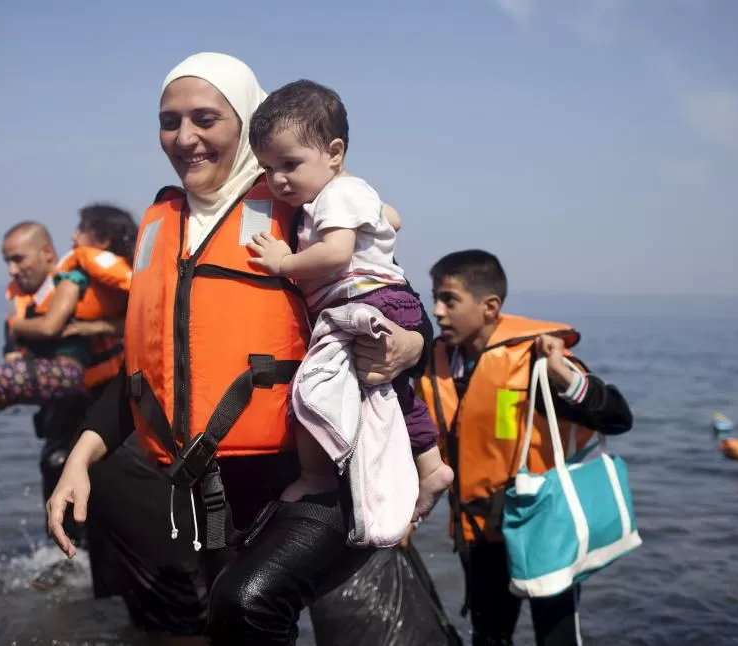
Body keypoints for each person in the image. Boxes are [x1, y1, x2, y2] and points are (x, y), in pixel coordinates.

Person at [46, 52, 433, 645]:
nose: (185, 138)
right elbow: (149, 372)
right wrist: (80, 459)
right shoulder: (162, 224)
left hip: (315, 476)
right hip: (210, 487)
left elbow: (391, 297)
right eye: (169, 121)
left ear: (247, 121)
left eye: (206, 118)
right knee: (227, 624)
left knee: (247, 602)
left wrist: (410, 344)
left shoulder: (296, 203)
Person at [245, 78, 453, 520]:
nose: (277, 180)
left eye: (289, 164)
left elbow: (337, 252)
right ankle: (430, 464)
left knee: (310, 388)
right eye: (266, 168)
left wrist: (284, 262)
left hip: (369, 301)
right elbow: (392, 219)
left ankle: (319, 478)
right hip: (386, 299)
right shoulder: (347, 190)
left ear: (334, 153)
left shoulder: (336, 195)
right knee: (394, 392)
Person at [417, 249, 634, 646]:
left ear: (490, 307)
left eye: (449, 299)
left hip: (542, 527)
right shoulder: (433, 364)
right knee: (488, 636)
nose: (437, 311)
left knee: (556, 637)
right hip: (478, 533)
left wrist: (567, 380)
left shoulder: (536, 359)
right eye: (435, 298)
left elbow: (618, 418)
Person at [0, 207, 135, 496]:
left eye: (18, 259)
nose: (12, 270)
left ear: (48, 254)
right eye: (7, 262)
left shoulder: (73, 280)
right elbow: (17, 367)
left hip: (93, 396)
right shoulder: (26, 305)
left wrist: (21, 329)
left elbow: (54, 328)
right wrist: (0, 394)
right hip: (60, 405)